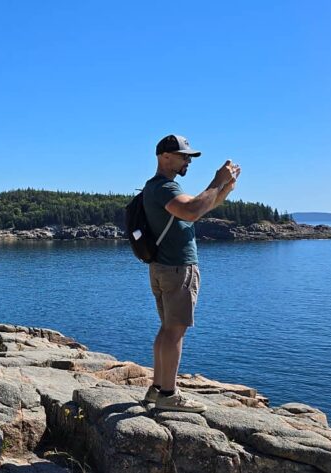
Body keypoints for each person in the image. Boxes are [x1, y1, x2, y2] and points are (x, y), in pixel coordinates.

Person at [142, 134, 239, 413]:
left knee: (167, 328)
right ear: (165, 157)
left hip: (164, 266)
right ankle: (169, 395)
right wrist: (216, 181)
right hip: (177, 267)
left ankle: (157, 388)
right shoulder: (164, 188)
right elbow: (193, 210)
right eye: (184, 155)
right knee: (175, 331)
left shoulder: (160, 188)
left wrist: (225, 188)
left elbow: (200, 206)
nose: (188, 161)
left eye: (189, 156)